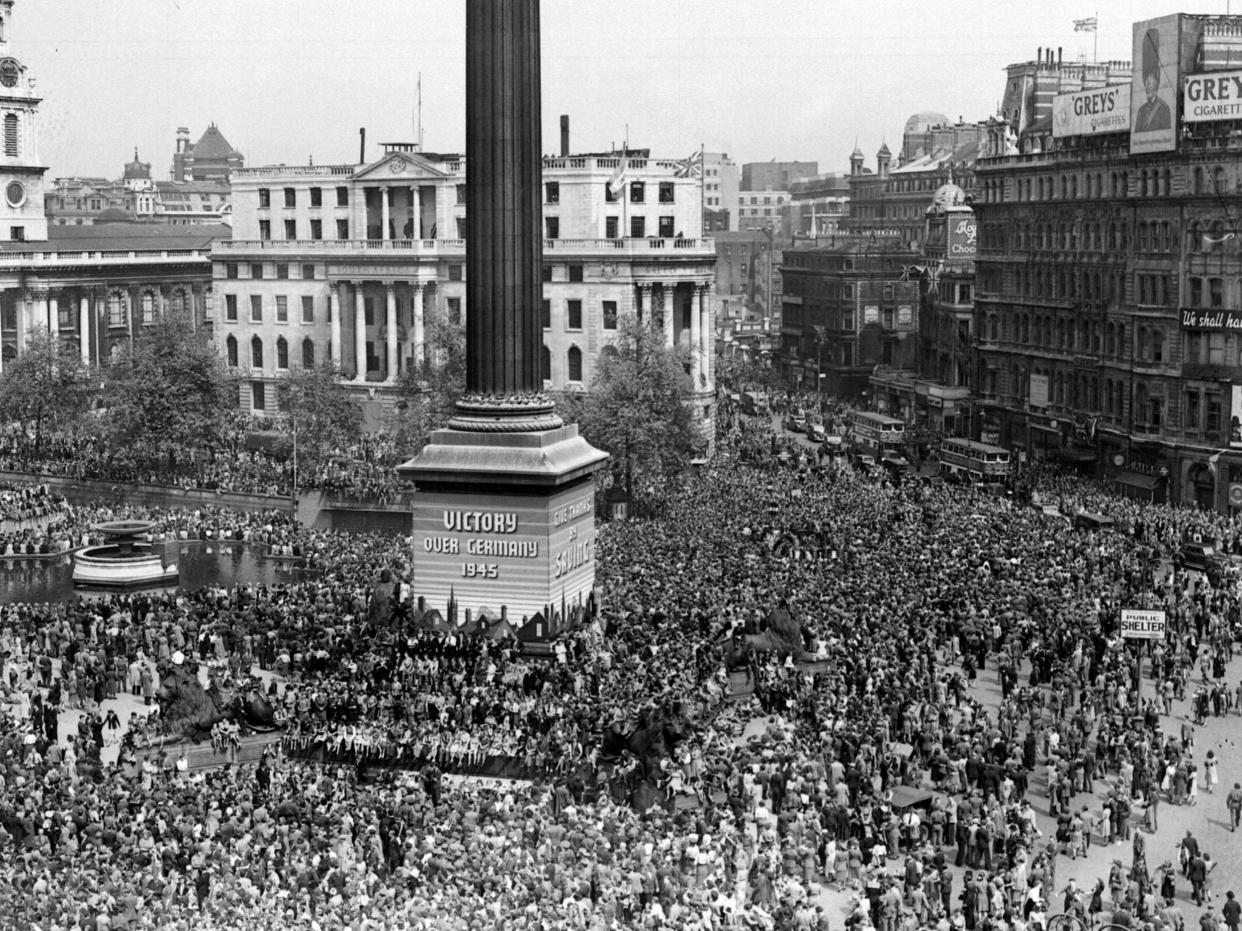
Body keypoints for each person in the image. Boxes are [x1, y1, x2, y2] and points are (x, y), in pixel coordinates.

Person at [1135, 27, 1172, 133]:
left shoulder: (1164, 109)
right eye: (1146, 83)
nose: (1147, 87)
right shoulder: (1141, 111)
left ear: (1156, 83)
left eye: (1150, 83)